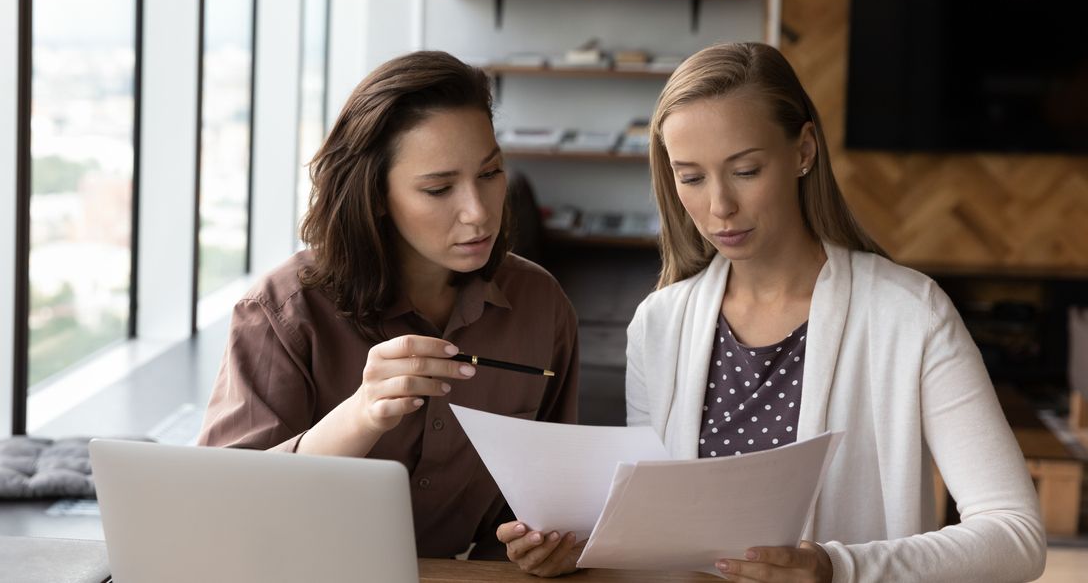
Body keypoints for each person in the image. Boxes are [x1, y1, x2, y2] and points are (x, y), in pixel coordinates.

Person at [499, 42, 1046, 581]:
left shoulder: (911, 314)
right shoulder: (658, 324)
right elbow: (663, 535)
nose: (719, 207)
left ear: (804, 150)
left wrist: (838, 568)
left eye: (746, 170)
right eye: (690, 177)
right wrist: (583, 549)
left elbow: (1015, 536)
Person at [197, 50, 580, 560]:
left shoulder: (540, 304)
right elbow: (220, 511)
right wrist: (361, 415)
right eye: (439, 188)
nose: (478, 212)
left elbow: (548, 501)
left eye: (490, 174)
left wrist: (546, 550)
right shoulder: (280, 311)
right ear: (375, 194)